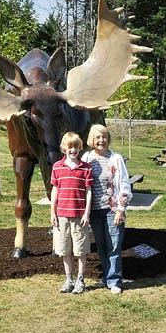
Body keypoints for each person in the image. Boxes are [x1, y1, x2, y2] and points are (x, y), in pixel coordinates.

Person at [82, 124, 132, 294]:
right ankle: (106, 277)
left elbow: (125, 184)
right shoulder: (87, 158)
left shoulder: (116, 158)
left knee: (114, 245)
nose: (101, 140)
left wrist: (121, 209)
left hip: (112, 209)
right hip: (95, 210)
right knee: (101, 245)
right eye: (97, 137)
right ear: (92, 140)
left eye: (104, 137)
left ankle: (115, 280)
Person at [50, 132, 93, 295]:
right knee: (64, 250)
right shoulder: (57, 167)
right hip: (61, 216)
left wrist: (86, 213)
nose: (73, 150)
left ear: (80, 148)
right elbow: (55, 190)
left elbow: (88, 191)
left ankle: (80, 280)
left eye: (75, 147)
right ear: (63, 149)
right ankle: (69, 279)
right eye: (69, 147)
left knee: (81, 250)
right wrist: (52, 212)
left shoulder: (85, 168)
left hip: (79, 216)